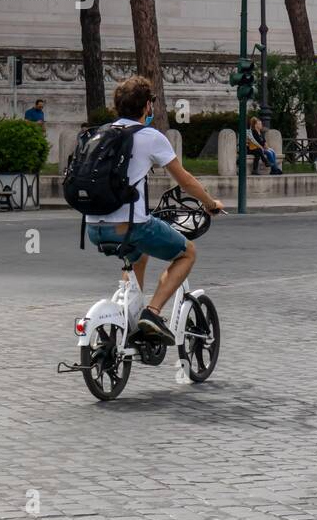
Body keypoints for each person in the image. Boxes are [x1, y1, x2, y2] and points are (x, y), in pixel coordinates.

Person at [84, 76, 223, 346]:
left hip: (93, 227)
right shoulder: (150, 137)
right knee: (187, 253)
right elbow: (184, 180)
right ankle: (152, 313)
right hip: (130, 226)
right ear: (147, 106)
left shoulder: (100, 133)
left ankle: (127, 314)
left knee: (138, 253)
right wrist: (210, 203)